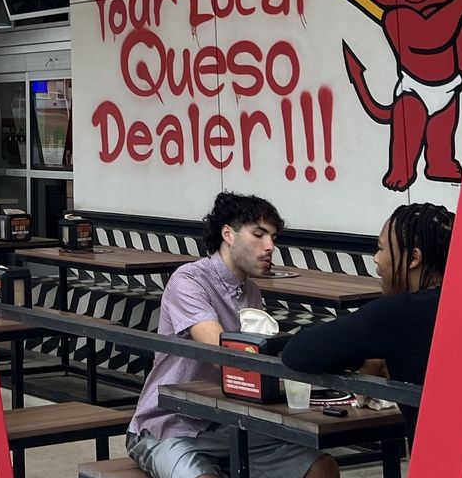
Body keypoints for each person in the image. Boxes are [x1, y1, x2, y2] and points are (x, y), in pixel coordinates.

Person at [280, 203, 462, 478]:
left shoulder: (404, 312)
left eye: (381, 248)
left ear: (413, 257)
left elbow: (298, 353)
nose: (375, 259)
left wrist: (365, 358)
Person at [128, 192, 338, 478]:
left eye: (273, 238)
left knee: (321, 469)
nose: (270, 246)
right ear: (228, 233)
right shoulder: (188, 280)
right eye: (259, 234)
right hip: (169, 425)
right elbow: (221, 353)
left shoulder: (251, 291)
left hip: (232, 422)